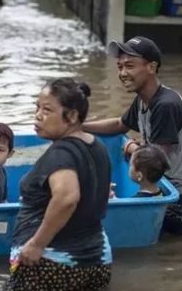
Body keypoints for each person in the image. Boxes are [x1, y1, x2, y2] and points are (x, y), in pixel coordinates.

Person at [83, 36, 182, 236]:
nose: (123, 73)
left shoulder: (165, 105)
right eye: (119, 67)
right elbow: (120, 125)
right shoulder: (144, 100)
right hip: (169, 189)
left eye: (129, 66)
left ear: (151, 67)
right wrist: (79, 126)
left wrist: (132, 148)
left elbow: (154, 162)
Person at [7, 78, 112, 291]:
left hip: (53, 263)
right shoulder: (97, 146)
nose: (37, 115)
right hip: (98, 259)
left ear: (72, 116)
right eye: (37, 107)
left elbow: (67, 198)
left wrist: (37, 244)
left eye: (47, 110)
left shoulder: (61, 153)